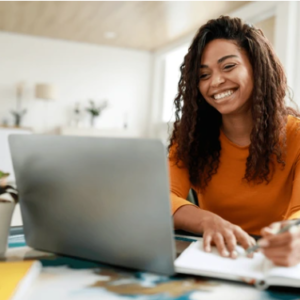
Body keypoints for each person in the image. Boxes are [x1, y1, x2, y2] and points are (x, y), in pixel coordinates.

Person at [168, 16, 300, 267]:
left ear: (257, 67)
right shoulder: (191, 138)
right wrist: (208, 221)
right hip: (210, 258)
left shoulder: (297, 136)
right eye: (204, 75)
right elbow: (163, 198)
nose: (215, 82)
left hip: (272, 262)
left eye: (228, 66)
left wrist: (296, 236)